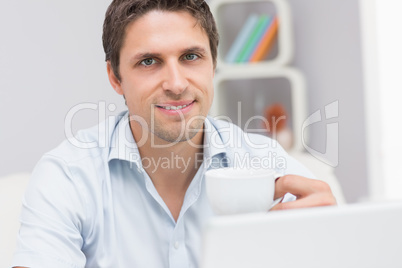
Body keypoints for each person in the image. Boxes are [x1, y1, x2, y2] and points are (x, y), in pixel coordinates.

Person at [12, 0, 336, 267]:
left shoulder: (266, 162)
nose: (177, 84)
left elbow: (325, 247)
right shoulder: (68, 176)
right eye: (149, 61)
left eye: (191, 57)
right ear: (115, 77)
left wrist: (335, 244)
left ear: (213, 64)